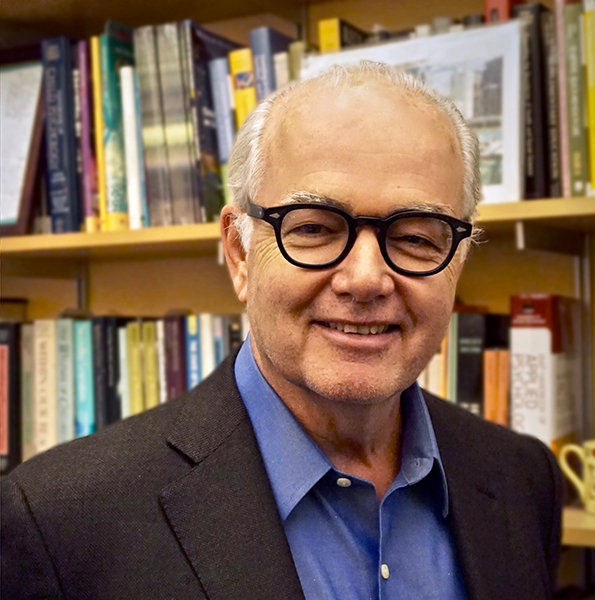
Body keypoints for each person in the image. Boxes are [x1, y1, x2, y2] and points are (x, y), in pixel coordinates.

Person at [1, 61, 562, 599]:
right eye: (314, 229)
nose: (365, 280)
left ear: (458, 260)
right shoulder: (59, 522)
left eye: (416, 237)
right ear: (239, 252)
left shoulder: (522, 479)